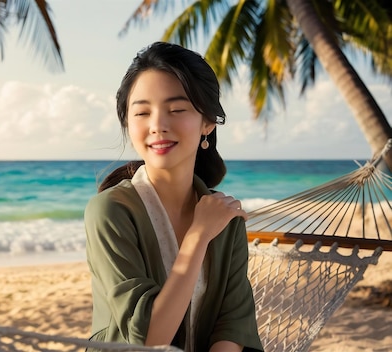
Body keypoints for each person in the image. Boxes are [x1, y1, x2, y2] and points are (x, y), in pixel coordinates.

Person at [84, 42, 264, 352]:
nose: (157, 126)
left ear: (207, 122)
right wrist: (197, 236)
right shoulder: (110, 211)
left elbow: (233, 326)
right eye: (142, 112)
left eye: (177, 109)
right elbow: (149, 338)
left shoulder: (224, 217)